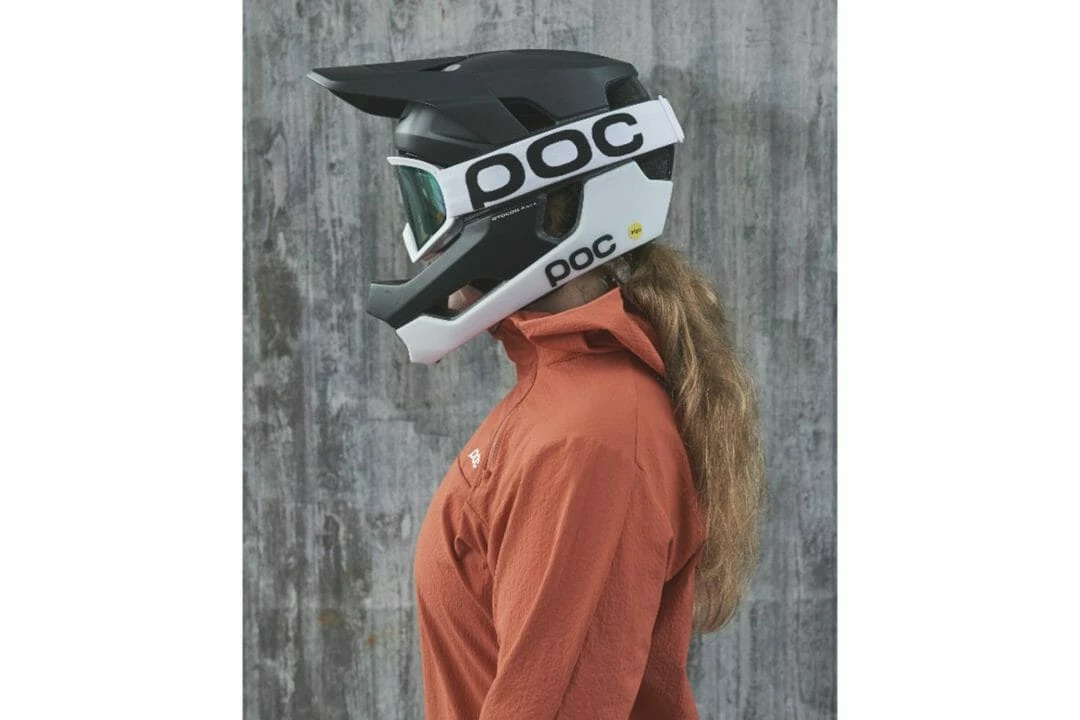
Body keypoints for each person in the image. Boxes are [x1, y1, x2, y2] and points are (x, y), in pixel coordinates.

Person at [310, 49, 765, 719]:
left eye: (434, 206)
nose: (424, 247)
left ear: (532, 204)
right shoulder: (564, 396)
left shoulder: (590, 438)